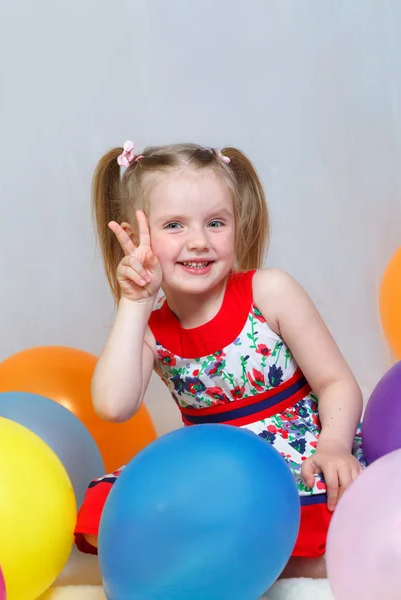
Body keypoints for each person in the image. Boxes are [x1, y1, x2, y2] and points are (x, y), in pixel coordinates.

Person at [75, 140, 366, 578]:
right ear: (137, 239)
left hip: (293, 452)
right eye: (174, 225)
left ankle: (282, 562)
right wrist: (135, 303)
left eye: (215, 222)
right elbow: (112, 406)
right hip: (211, 465)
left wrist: (334, 446)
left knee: (325, 516)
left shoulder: (269, 291)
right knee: (110, 515)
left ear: (237, 224)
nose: (199, 241)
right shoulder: (151, 329)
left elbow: (335, 382)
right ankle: (234, 555)